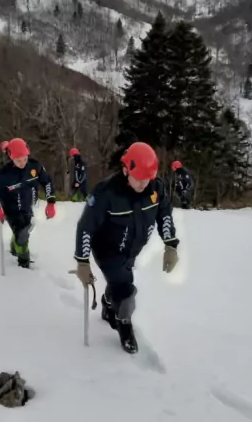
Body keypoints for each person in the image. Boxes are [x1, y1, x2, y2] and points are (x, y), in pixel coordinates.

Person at [70, 142, 180, 353]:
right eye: (138, 179)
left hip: (133, 249)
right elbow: (85, 227)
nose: (143, 184)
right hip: (107, 249)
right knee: (126, 289)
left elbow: (164, 215)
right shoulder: (106, 193)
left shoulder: (156, 188)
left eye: (147, 179)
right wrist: (82, 261)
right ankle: (124, 324)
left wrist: (170, 245)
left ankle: (108, 305)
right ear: (125, 170)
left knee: (118, 285)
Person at [0, 138, 56, 268]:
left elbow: (47, 182)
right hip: (11, 209)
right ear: (11, 158)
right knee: (22, 235)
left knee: (26, 228)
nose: (22, 163)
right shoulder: (4, 174)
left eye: (25, 159)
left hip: (28, 205)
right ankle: (24, 263)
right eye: (18, 160)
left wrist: (51, 202)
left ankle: (15, 245)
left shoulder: (35, 166)